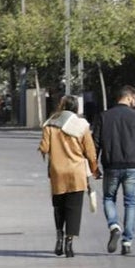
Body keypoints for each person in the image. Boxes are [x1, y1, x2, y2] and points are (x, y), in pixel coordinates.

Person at [94, 85, 135, 256]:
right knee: (130, 202)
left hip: (111, 165)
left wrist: (94, 166)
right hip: (132, 166)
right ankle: (127, 241)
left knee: (108, 198)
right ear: (128, 97)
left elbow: (95, 143)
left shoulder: (104, 116)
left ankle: (114, 226)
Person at [38, 95, 99, 258]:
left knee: (59, 207)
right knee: (74, 208)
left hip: (57, 173)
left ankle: (59, 235)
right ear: (76, 108)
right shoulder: (82, 126)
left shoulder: (50, 124)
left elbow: (44, 147)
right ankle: (69, 243)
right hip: (76, 173)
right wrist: (94, 169)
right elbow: (90, 152)